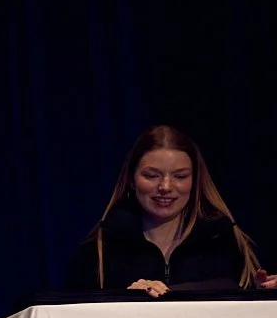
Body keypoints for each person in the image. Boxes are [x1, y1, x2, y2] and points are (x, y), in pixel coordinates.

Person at [64, 125, 273, 294]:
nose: (165, 187)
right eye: (152, 176)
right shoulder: (98, 249)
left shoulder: (226, 240)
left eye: (180, 176)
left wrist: (266, 295)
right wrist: (126, 301)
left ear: (195, 181)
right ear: (131, 180)